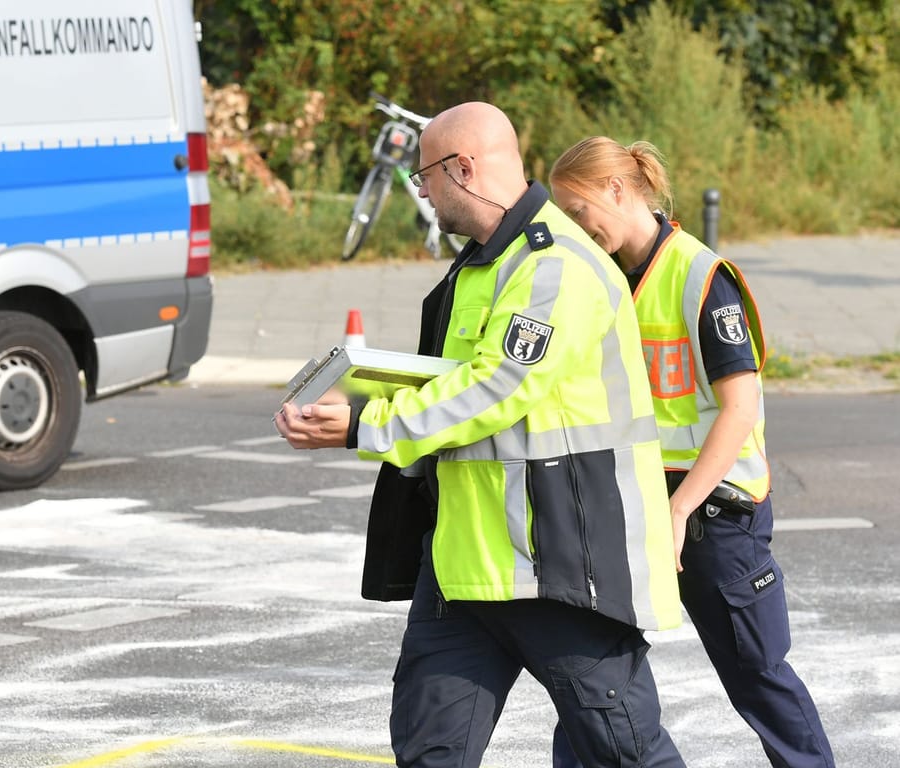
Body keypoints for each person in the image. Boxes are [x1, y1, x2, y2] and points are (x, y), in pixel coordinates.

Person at [274, 102, 686, 768]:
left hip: (559, 564)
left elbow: (497, 389)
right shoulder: (481, 267)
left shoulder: (557, 267)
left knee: (625, 753)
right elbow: (448, 385)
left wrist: (364, 425)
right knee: (430, 753)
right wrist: (352, 392)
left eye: (425, 178)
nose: (424, 195)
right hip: (466, 568)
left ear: (463, 169)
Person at [548, 137, 835, 768]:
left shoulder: (701, 276)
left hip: (711, 515)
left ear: (618, 191)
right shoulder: (596, 278)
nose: (571, 227)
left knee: (758, 679)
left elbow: (740, 410)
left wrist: (678, 510)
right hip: (627, 507)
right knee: (593, 684)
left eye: (576, 211)